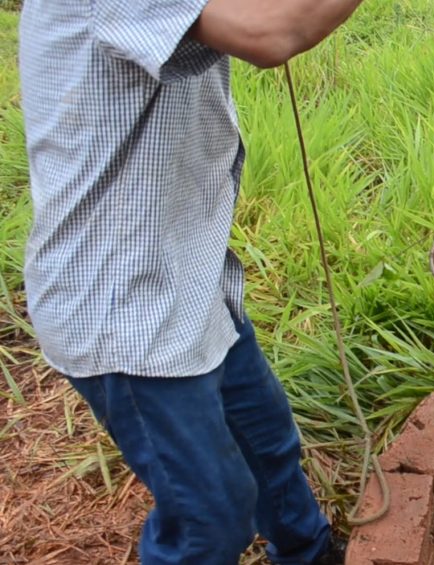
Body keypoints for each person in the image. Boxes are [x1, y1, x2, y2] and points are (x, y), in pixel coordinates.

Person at [18, 0, 367, 563]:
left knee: (266, 443)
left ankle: (310, 553)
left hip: (189, 274)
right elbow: (273, 30)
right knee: (209, 518)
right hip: (123, 306)